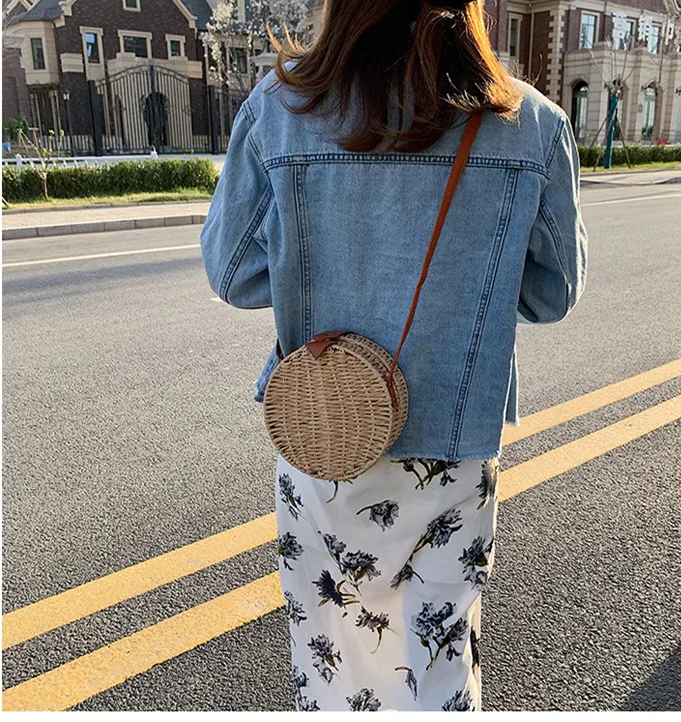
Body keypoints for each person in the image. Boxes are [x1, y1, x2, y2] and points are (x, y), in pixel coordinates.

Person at [200, 0, 587, 711]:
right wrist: (473, 290)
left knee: (329, 649)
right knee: (435, 656)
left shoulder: (281, 109)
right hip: (454, 446)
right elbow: (552, 293)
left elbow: (233, 273)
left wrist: (313, 280)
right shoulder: (529, 123)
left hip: (323, 435)